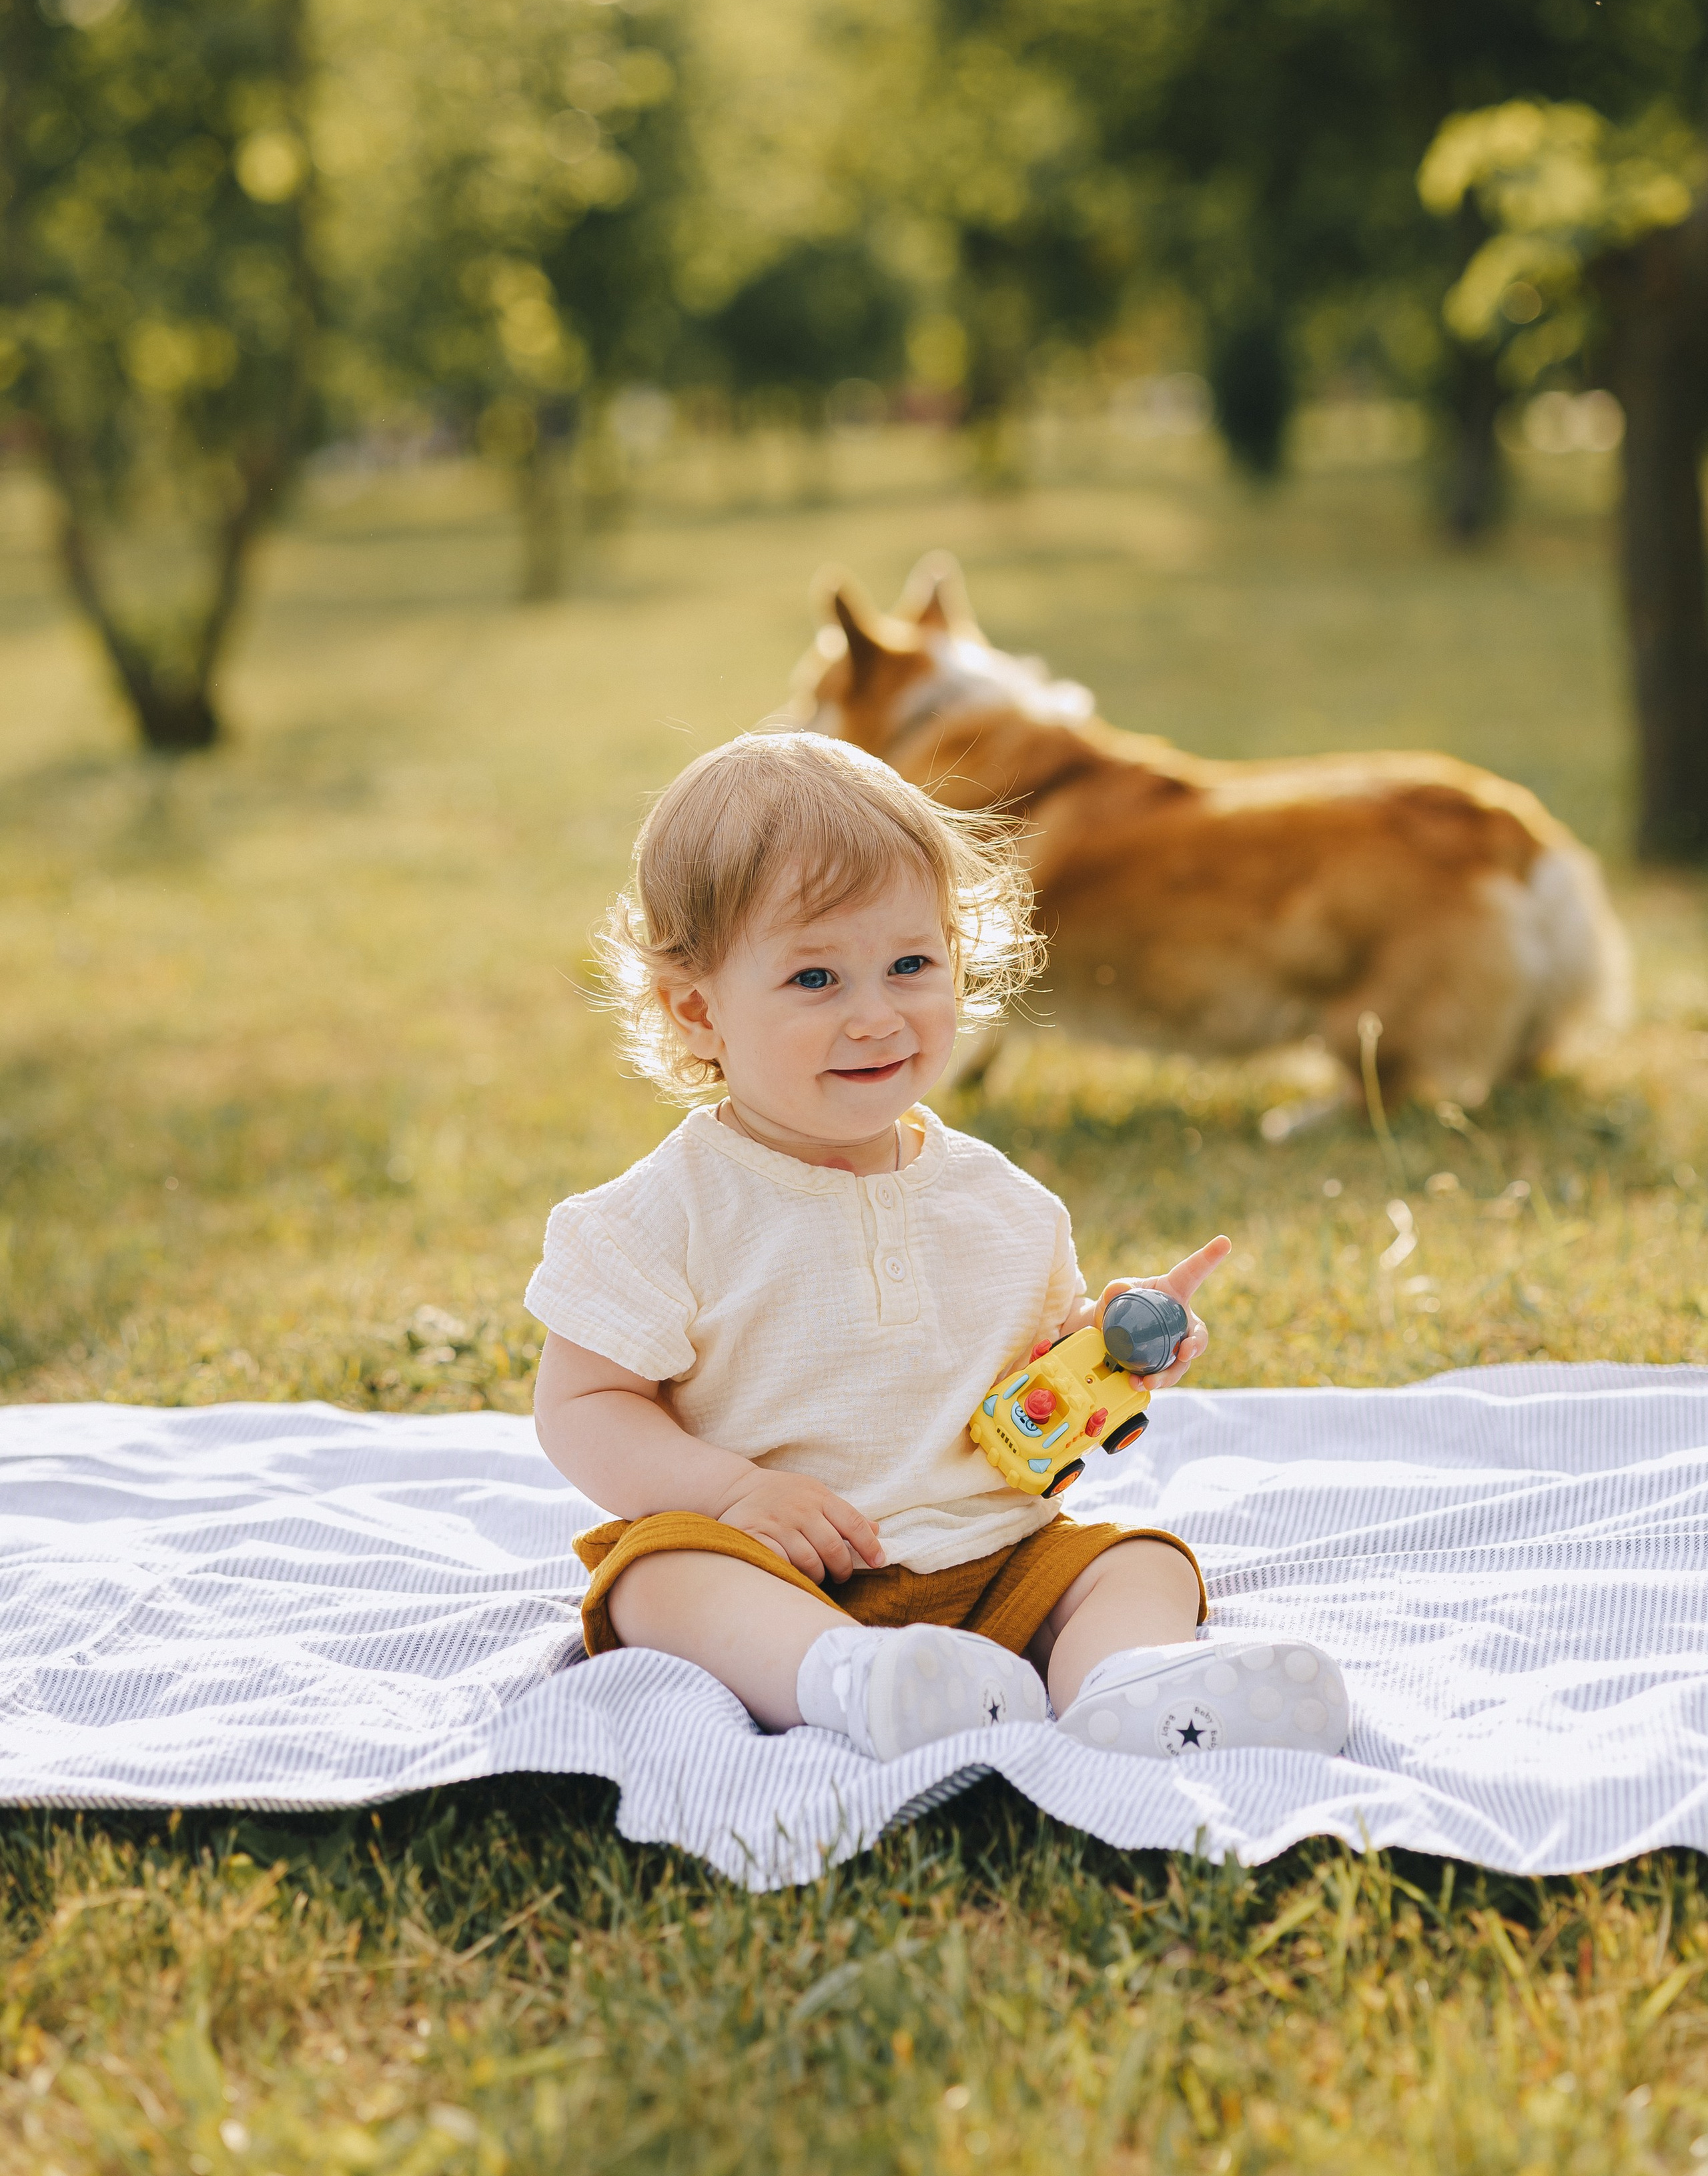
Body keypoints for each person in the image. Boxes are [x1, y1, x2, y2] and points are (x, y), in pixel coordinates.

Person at [529, 731, 1348, 1765]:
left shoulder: (1004, 1204)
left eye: (911, 964)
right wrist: (730, 1493)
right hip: (777, 1567)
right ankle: (846, 1678)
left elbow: (1028, 1397)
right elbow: (583, 1406)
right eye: (817, 977)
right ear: (698, 1011)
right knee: (656, 1579)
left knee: (1141, 1561)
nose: (877, 1015)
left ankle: (1129, 1684)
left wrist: (1108, 1347)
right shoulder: (663, 1213)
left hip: (994, 1558)